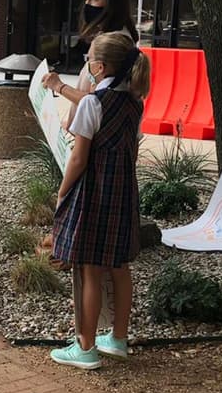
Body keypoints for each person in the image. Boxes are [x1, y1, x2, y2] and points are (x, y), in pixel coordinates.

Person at [49, 31, 151, 370]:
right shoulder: (135, 103)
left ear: (100, 66)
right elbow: (133, 153)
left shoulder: (92, 103)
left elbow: (78, 158)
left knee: (90, 269)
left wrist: (63, 191)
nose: (87, 64)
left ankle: (86, 347)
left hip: (94, 190)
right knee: (119, 266)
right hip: (122, 190)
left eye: (89, 58)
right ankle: (118, 339)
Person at [43, 0, 139, 122]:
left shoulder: (114, 43)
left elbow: (100, 103)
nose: (88, 5)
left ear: (113, 1)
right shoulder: (109, 36)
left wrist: (59, 86)